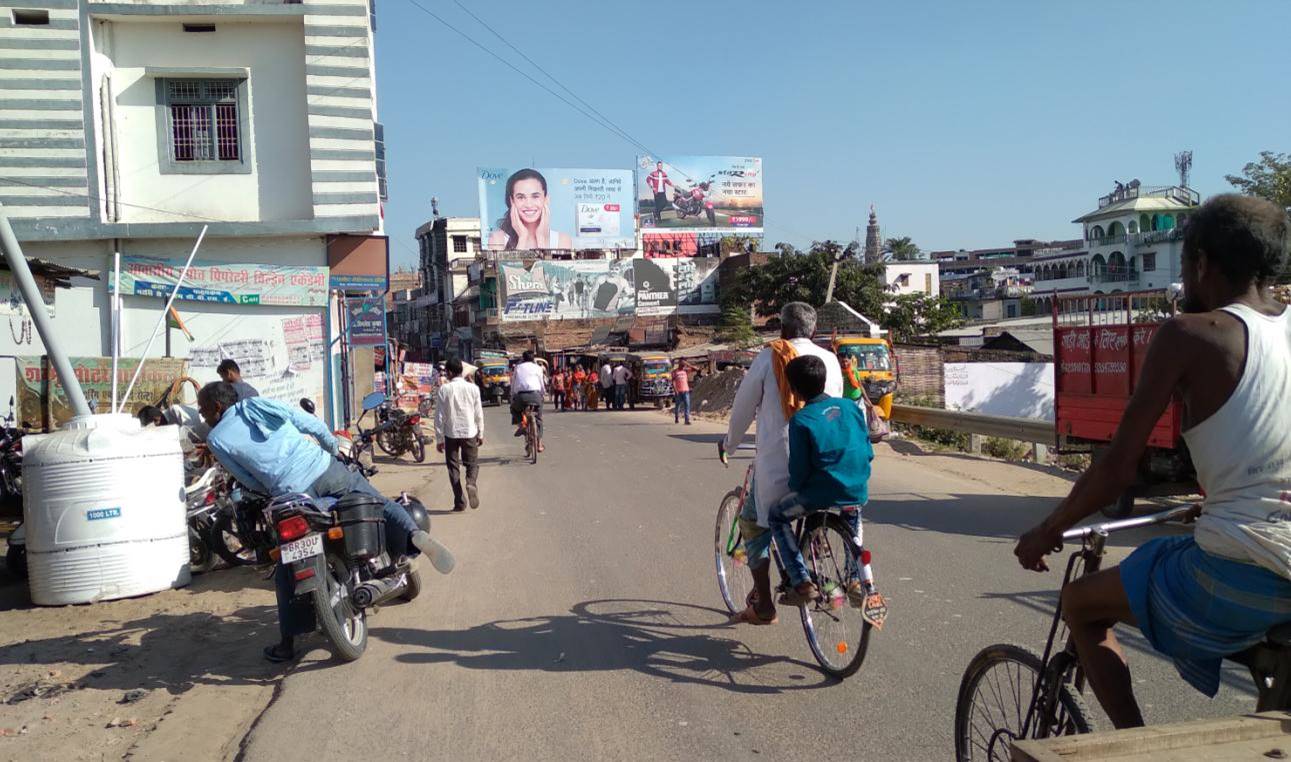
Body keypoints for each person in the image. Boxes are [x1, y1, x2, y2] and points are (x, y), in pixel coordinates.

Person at [1014, 195, 1291, 729]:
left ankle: (1134, 745)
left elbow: (1118, 468)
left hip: (1245, 573)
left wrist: (1048, 530)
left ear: (1202, 263)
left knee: (1079, 602)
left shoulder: (1191, 335)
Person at [197, 382, 449, 663]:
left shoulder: (216, 438)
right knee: (375, 503)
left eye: (203, 408)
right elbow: (307, 423)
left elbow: (245, 478)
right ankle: (412, 535)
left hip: (289, 493)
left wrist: (272, 489)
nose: (201, 413)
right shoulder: (256, 405)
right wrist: (332, 447)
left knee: (286, 565)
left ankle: (287, 643)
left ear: (218, 407)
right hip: (324, 469)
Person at [723, 302, 843, 625]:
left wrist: (729, 444)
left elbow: (743, 409)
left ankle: (764, 606)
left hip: (778, 466)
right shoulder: (830, 360)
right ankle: (816, 555)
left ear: (782, 331)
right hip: (825, 465)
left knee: (754, 523)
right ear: (813, 332)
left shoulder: (768, 358)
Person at [768, 355, 885, 625]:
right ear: (824, 381)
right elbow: (867, 450)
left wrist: (797, 490)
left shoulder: (802, 420)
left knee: (777, 515)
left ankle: (800, 580)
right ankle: (856, 579)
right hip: (857, 488)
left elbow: (798, 472)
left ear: (794, 390)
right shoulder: (850, 407)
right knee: (852, 523)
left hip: (818, 495)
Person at [434, 356, 484, 512]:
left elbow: (439, 416)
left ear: (449, 372)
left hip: (451, 433)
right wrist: (481, 432)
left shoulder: (444, 389)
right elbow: (478, 413)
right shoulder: (473, 388)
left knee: (453, 467)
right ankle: (471, 482)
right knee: (472, 463)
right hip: (470, 431)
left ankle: (459, 501)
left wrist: (439, 438)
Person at [487, 169, 573, 250]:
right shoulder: (497, 239)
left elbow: (547, 266)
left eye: (535, 196)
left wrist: (541, 238)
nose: (529, 204)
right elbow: (512, 267)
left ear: (546, 199)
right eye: (521, 197)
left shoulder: (562, 240)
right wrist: (522, 238)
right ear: (512, 201)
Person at [509, 350, 545, 450]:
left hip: (521, 396)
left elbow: (513, 384)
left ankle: (521, 425)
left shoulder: (518, 367)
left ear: (523, 359)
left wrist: (512, 396)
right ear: (533, 358)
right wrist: (542, 394)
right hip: (536, 395)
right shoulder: (538, 368)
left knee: (514, 409)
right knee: (539, 418)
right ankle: (539, 444)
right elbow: (542, 385)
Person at [672, 359, 695, 425]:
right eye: (682, 365)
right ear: (679, 364)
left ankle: (686, 420)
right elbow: (673, 381)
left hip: (686, 391)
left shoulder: (685, 370)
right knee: (678, 406)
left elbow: (696, 369)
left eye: (684, 365)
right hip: (678, 392)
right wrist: (675, 390)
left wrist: (688, 364)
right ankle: (676, 418)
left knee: (687, 405)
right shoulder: (675, 372)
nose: (683, 366)